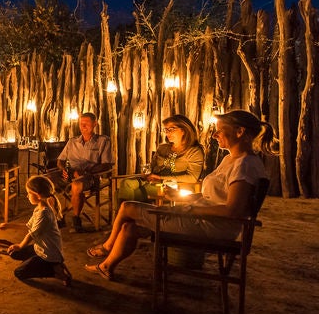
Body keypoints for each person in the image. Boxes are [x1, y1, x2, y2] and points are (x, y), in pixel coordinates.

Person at [85, 110, 275, 280]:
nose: (215, 135)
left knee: (128, 207)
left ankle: (107, 246)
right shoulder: (231, 159)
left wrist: (192, 209)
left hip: (210, 227)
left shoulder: (245, 165)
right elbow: (213, 197)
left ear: (240, 132)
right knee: (128, 227)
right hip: (203, 221)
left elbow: (233, 211)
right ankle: (106, 266)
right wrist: (180, 197)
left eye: (220, 130)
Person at [116, 114, 204, 204]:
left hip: (171, 186)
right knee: (125, 183)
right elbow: (152, 166)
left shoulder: (194, 151)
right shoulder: (162, 148)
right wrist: (147, 173)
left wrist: (160, 177)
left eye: (171, 129)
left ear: (184, 130)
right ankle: (128, 215)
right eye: (166, 130)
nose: (167, 133)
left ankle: (126, 215)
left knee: (130, 194)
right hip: (152, 181)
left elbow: (192, 177)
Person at [3, 176, 72, 286]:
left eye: (29, 193)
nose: (27, 196)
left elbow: (32, 234)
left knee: (19, 272)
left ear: (38, 195)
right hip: (40, 248)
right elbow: (28, 226)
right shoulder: (39, 209)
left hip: (48, 254)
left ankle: (56, 271)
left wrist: (20, 245)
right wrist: (8, 225)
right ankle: (42, 264)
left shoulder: (44, 214)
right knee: (14, 253)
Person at [50, 112, 113, 232]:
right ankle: (57, 216)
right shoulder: (72, 142)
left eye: (87, 124)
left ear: (95, 124)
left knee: (76, 185)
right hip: (69, 174)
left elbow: (107, 164)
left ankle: (76, 219)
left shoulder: (103, 141)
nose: (83, 126)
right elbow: (60, 160)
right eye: (81, 124)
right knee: (44, 181)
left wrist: (85, 171)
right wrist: (64, 169)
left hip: (90, 176)